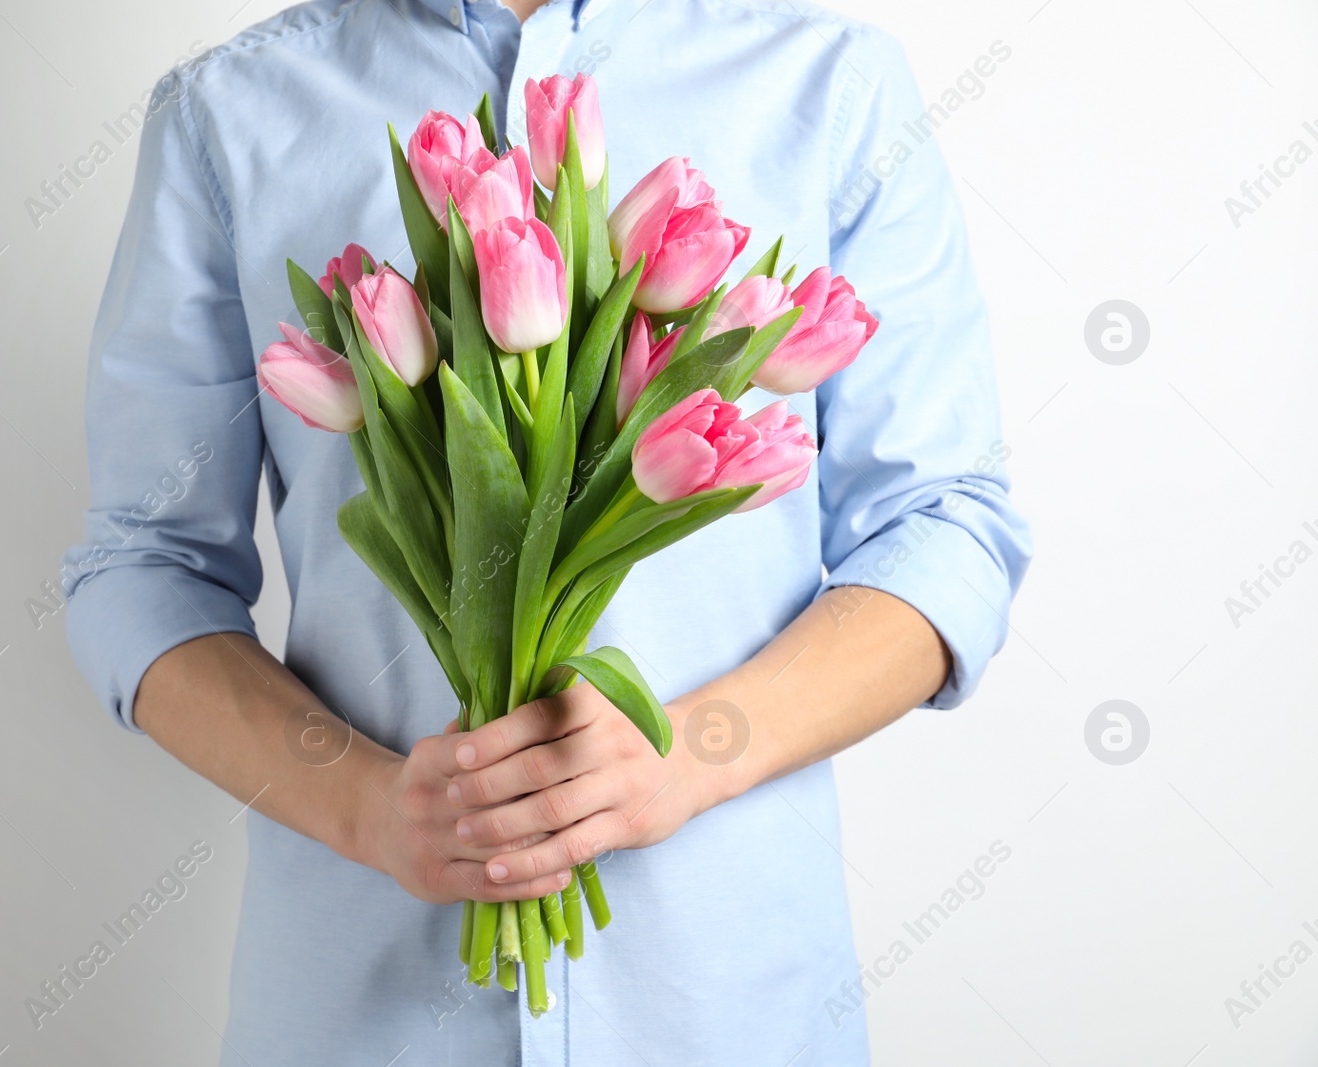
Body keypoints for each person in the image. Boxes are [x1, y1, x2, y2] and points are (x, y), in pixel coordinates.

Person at [61, 0, 1032, 1062]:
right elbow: (143, 565)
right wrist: (368, 808)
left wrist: (698, 751)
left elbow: (943, 525)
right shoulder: (233, 111)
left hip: (725, 1005)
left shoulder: (826, 87)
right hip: (361, 1015)